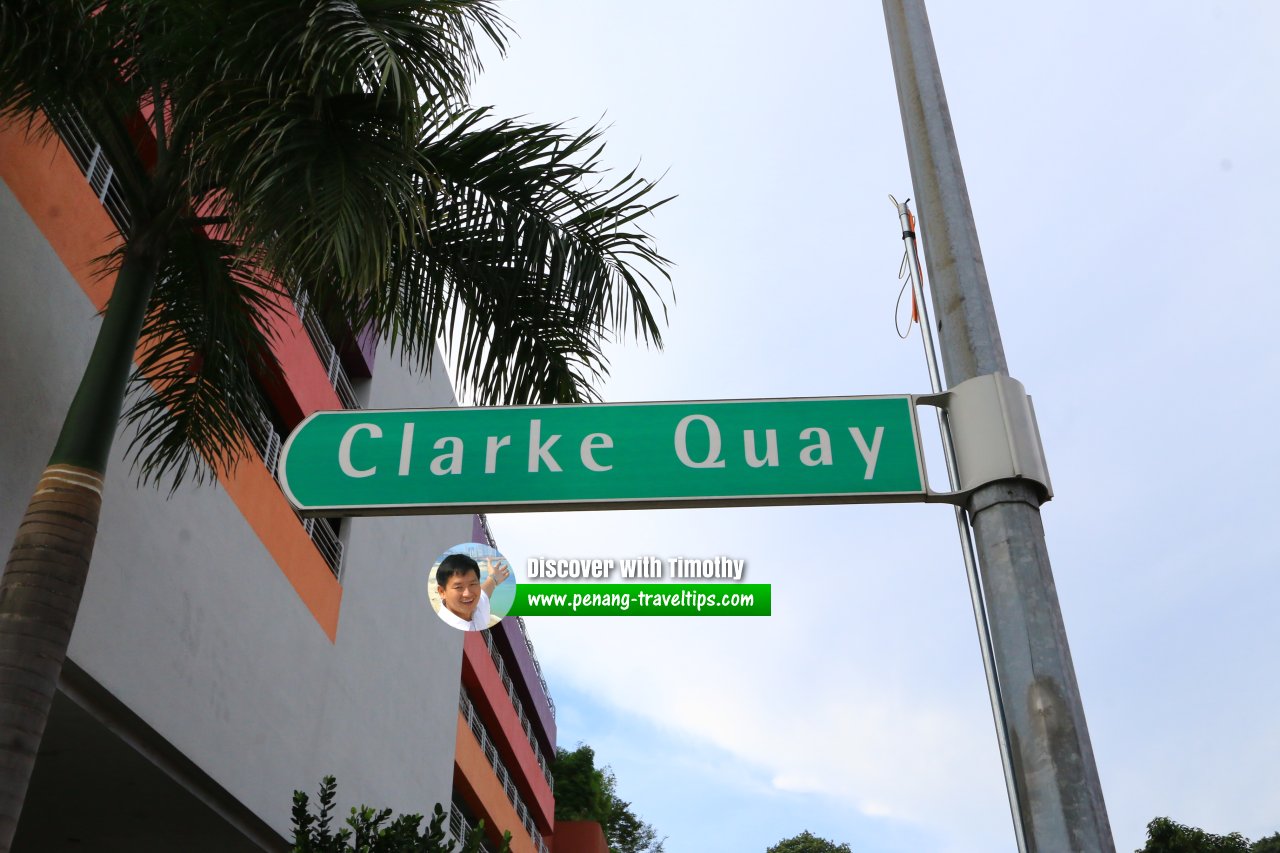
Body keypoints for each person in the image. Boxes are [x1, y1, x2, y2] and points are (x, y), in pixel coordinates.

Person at [434, 552, 511, 631]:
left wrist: (493, 578)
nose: (468, 594)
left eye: (473, 584)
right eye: (458, 587)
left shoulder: (477, 607)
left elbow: (485, 591)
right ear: (442, 592)